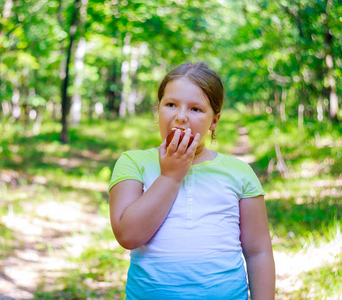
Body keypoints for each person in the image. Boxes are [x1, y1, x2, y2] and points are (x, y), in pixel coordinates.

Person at [108, 62, 275, 299]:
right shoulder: (133, 163)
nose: (180, 117)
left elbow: (258, 252)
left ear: (214, 121)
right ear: (159, 109)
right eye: (171, 105)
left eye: (195, 109)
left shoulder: (239, 172)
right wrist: (171, 176)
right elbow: (128, 236)